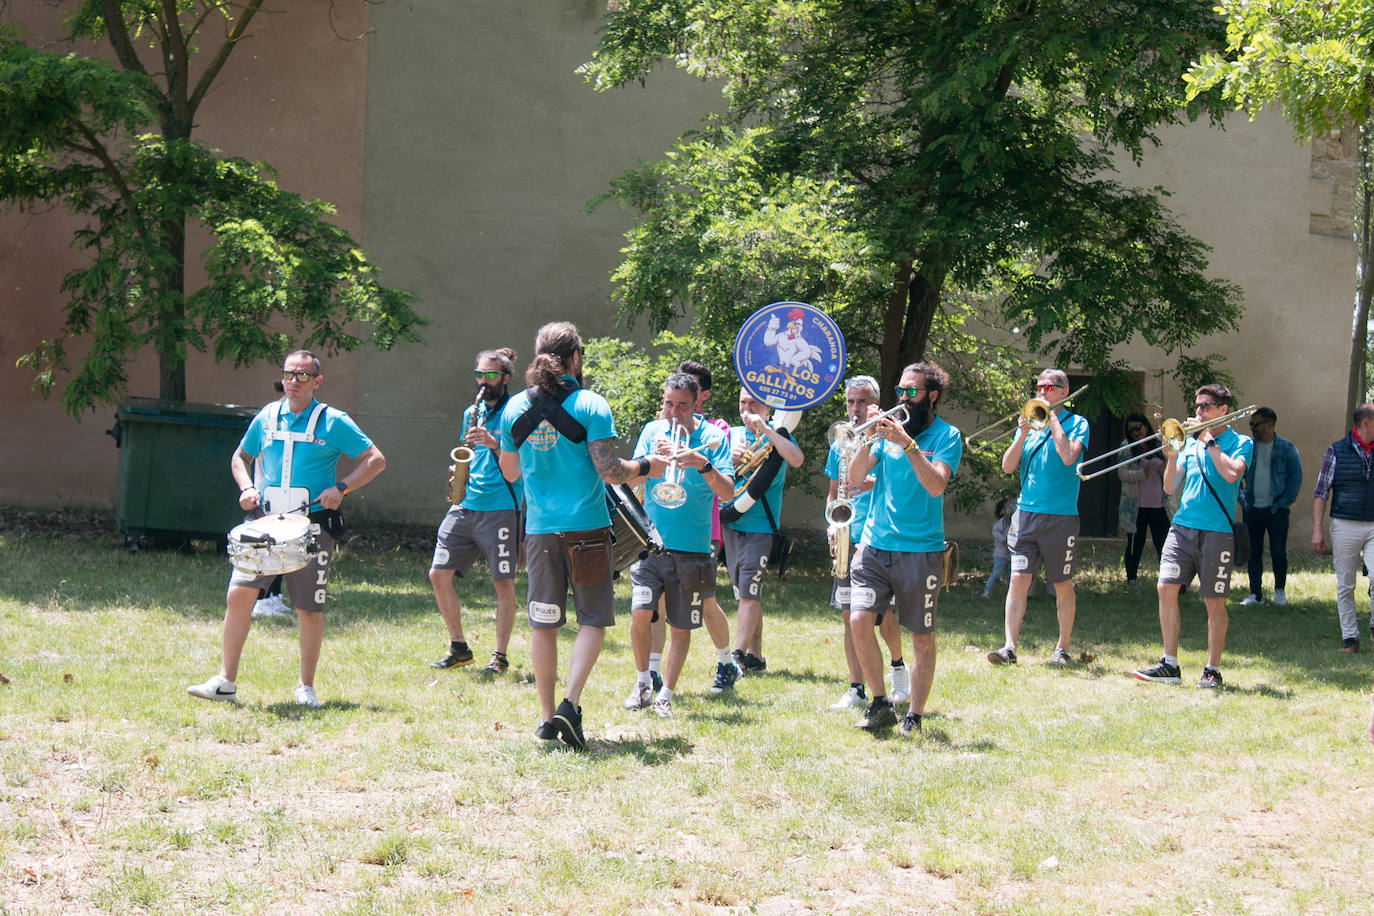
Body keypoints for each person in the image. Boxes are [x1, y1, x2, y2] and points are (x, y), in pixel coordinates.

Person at [498, 322, 666, 750]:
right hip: (588, 527)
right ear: (575, 358)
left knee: (543, 624)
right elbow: (609, 470)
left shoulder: (515, 407)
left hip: (538, 531)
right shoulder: (591, 403)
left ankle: (543, 718)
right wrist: (647, 466)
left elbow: (510, 471)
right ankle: (569, 706)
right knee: (592, 619)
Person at [188, 350, 386, 706]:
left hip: (311, 527)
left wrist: (342, 488)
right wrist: (247, 487)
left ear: (317, 382)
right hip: (263, 525)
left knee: (308, 608)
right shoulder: (267, 416)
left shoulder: (333, 421)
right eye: (288, 375)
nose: (293, 382)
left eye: (302, 376)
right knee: (239, 595)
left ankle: (305, 687)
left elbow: (375, 459)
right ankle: (225, 681)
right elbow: (240, 457)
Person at [847, 362, 962, 735]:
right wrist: (868, 437)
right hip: (874, 545)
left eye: (911, 392)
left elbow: (935, 485)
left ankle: (913, 715)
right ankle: (880, 703)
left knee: (921, 637)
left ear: (932, 395)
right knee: (859, 620)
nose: (903, 398)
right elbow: (852, 479)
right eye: (900, 391)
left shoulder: (947, 436)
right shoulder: (884, 434)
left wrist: (908, 446)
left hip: (920, 550)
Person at [622, 374, 736, 716]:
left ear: (696, 402)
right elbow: (631, 479)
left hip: (694, 548)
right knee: (641, 612)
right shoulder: (651, 431)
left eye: (682, 405)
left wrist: (702, 465)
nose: (673, 412)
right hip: (651, 542)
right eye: (668, 404)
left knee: (682, 625)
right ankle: (643, 683)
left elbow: (728, 492)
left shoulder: (713, 438)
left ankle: (665, 695)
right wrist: (649, 464)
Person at [1132, 384, 1252, 688]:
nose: (1198, 412)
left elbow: (1231, 473)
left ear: (1223, 409)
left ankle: (1212, 669)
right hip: (1182, 527)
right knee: (1165, 588)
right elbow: (1170, 488)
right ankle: (1169, 664)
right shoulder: (1190, 444)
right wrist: (1172, 456)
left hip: (1217, 532)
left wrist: (1208, 440)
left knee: (1214, 601)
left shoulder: (1241, 442)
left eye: (1206, 407)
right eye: (1196, 406)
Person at [428, 348, 523, 673]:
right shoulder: (473, 410)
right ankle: (459, 647)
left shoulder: (516, 411)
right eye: (479, 374)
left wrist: (495, 443)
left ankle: (499, 656)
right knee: (438, 574)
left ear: (506, 378)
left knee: (502, 583)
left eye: (491, 374)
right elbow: (464, 451)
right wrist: (458, 474)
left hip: (500, 506)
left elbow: (527, 460)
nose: (484, 381)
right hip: (464, 504)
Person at [987, 369, 1088, 667]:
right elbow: (1007, 467)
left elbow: (1069, 456)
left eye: (1048, 387)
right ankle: (1009, 647)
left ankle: (1062, 648)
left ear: (1063, 392)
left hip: (1061, 517)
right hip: (1026, 514)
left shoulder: (1078, 423)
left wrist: (1053, 419)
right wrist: (1022, 433)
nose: (1041, 392)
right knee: (1017, 578)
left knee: (1061, 582)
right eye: (1038, 387)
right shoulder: (1031, 426)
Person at [826, 375, 909, 709]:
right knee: (850, 615)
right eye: (850, 402)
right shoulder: (840, 441)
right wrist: (830, 525)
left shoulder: (888, 440)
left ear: (875, 404)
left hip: (876, 537)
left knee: (884, 615)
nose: (855, 409)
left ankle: (898, 666)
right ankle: (857, 687)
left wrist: (873, 480)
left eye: (862, 402)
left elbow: (904, 485)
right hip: (847, 533)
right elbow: (833, 493)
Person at [719, 389, 804, 675]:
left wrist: (766, 430)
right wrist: (728, 461)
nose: (746, 408)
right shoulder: (729, 435)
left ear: (767, 407)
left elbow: (796, 458)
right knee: (743, 593)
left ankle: (738, 656)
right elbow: (710, 471)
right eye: (742, 402)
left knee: (749, 593)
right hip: (730, 523)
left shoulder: (778, 434)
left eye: (753, 403)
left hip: (760, 527)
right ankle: (756, 656)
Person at [675, 360, 740, 696]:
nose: (679, 405)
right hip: (668, 525)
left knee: (705, 599)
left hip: (705, 527)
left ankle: (726, 661)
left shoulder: (718, 428)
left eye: (691, 392)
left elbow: (725, 475)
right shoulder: (665, 424)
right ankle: (652, 675)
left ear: (702, 395)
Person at [1311, 403, 1374, 653]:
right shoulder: (1336, 451)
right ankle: (1350, 638)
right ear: (1366, 423)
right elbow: (1321, 492)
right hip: (1345, 523)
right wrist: (1317, 529)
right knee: (1346, 584)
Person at [1239, 407, 1301, 607]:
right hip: (1252, 508)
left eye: (1256, 424)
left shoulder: (1286, 448)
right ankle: (1255, 594)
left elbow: (1295, 479)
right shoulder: (1248, 447)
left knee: (1278, 552)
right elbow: (1237, 477)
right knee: (1253, 552)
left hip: (1277, 510)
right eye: (1251, 424)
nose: (1252, 428)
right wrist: (1244, 500)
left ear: (1270, 424)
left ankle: (1279, 591)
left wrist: (1282, 503)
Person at [1119, 413, 1169, 593]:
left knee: (1163, 543)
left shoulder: (1158, 444)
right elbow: (1122, 474)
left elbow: (1169, 470)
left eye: (1138, 428)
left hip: (1159, 504)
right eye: (1130, 429)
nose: (1134, 432)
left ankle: (1168, 580)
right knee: (1134, 544)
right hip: (1136, 506)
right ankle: (1131, 581)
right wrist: (1143, 473)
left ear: (1146, 426)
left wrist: (1165, 469)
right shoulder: (1126, 447)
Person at [983, 497, 1014, 600]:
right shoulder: (997, 526)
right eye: (1008, 507)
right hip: (1000, 555)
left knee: (1010, 576)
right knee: (996, 574)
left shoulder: (1012, 524)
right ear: (1001, 512)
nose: (1011, 509)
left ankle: (1011, 594)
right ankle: (986, 591)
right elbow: (1004, 541)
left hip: (1009, 555)